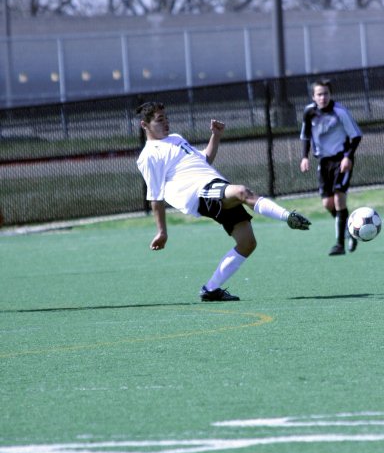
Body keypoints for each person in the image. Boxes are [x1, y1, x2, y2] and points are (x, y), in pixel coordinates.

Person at [136, 101, 311, 302]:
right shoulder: (149, 155)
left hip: (214, 186)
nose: (166, 123)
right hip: (199, 193)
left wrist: (216, 136)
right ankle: (288, 216)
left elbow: (204, 160)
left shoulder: (175, 139)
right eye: (160, 120)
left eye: (166, 118)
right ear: (145, 125)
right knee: (242, 192)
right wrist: (162, 231)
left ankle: (210, 289)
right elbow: (155, 197)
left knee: (247, 243)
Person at [299, 79, 362, 256]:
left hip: (341, 160)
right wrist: (304, 157)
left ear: (330, 94)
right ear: (313, 96)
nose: (323, 97)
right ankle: (350, 229)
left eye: (326, 93)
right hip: (324, 162)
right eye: (319, 94)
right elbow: (305, 136)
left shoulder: (340, 112)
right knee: (327, 203)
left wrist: (348, 157)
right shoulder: (309, 112)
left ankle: (339, 244)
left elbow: (356, 136)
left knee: (339, 198)